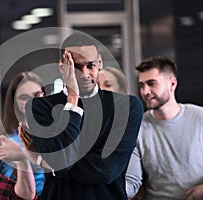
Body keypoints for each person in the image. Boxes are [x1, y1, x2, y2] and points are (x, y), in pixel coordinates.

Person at [22, 32, 143, 199]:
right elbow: (60, 162)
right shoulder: (39, 106)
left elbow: (106, 171)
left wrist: (45, 162)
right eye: (75, 67)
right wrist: (72, 98)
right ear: (62, 66)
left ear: (99, 63)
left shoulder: (127, 107)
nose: (84, 74)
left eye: (90, 65)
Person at [125, 56, 203, 200]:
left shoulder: (200, 118)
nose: (145, 91)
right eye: (141, 85)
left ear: (172, 84)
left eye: (151, 83)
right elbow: (132, 181)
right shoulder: (137, 127)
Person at [0, 72, 45, 197]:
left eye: (37, 95)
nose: (32, 101)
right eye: (24, 97)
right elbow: (8, 186)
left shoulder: (54, 130)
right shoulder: (10, 141)